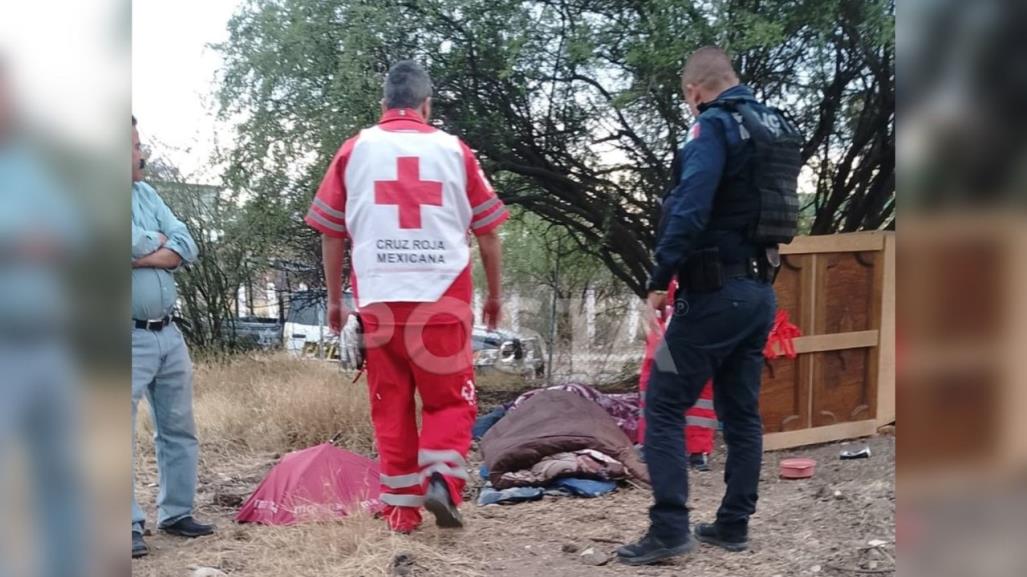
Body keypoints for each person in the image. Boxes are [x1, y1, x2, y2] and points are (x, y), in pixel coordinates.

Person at [617, 46, 801, 565]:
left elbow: (692, 206)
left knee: (664, 398)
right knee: (741, 413)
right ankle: (732, 523)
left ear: (694, 91)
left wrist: (658, 279)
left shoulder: (712, 127)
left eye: (687, 96)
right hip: (759, 296)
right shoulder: (768, 126)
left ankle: (670, 528)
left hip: (712, 298)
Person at [306, 60, 507, 533]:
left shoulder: (353, 150)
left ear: (383, 106)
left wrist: (336, 302)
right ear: (426, 104)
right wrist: (495, 296)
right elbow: (490, 232)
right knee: (448, 403)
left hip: (378, 303)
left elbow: (331, 234)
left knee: (390, 405)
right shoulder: (455, 151)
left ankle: (402, 513)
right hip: (442, 302)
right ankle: (440, 479)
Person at [131, 116, 213, 558]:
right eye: (132, 146)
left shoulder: (147, 193)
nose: (141, 154)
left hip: (167, 331)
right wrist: (159, 246)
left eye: (139, 144)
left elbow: (187, 243)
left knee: (179, 427)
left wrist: (142, 254)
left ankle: (177, 512)